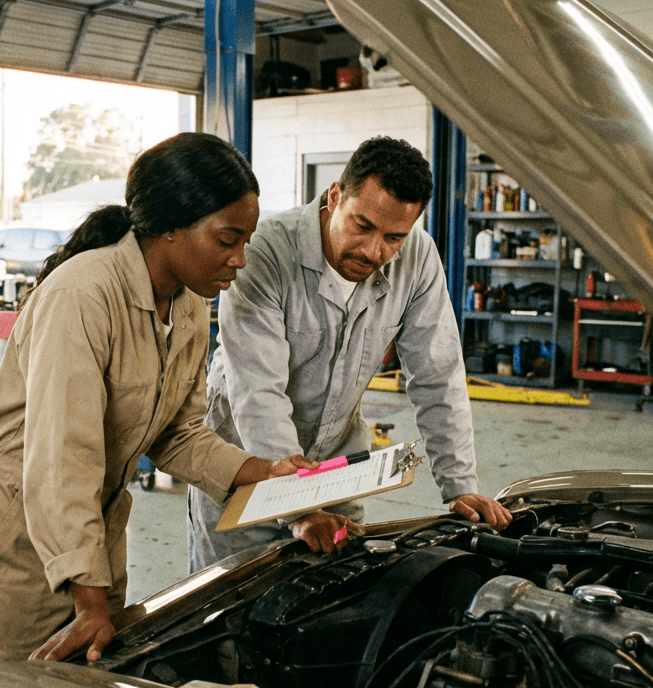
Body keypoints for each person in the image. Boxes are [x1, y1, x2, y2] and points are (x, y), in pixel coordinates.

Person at [0, 132, 315, 664]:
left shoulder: (187, 306)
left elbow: (176, 433)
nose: (241, 260)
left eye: (246, 241)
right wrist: (90, 600)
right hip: (12, 545)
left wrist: (264, 471)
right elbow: (60, 461)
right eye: (228, 240)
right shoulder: (82, 296)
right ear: (171, 228)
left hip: (95, 534)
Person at [188, 136, 512, 572]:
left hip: (336, 475)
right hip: (245, 472)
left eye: (394, 237)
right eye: (362, 226)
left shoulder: (418, 258)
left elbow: (438, 374)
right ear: (336, 195)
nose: (375, 251)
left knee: (338, 598)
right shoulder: (265, 253)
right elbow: (257, 391)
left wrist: (459, 487)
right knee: (225, 613)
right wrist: (298, 507)